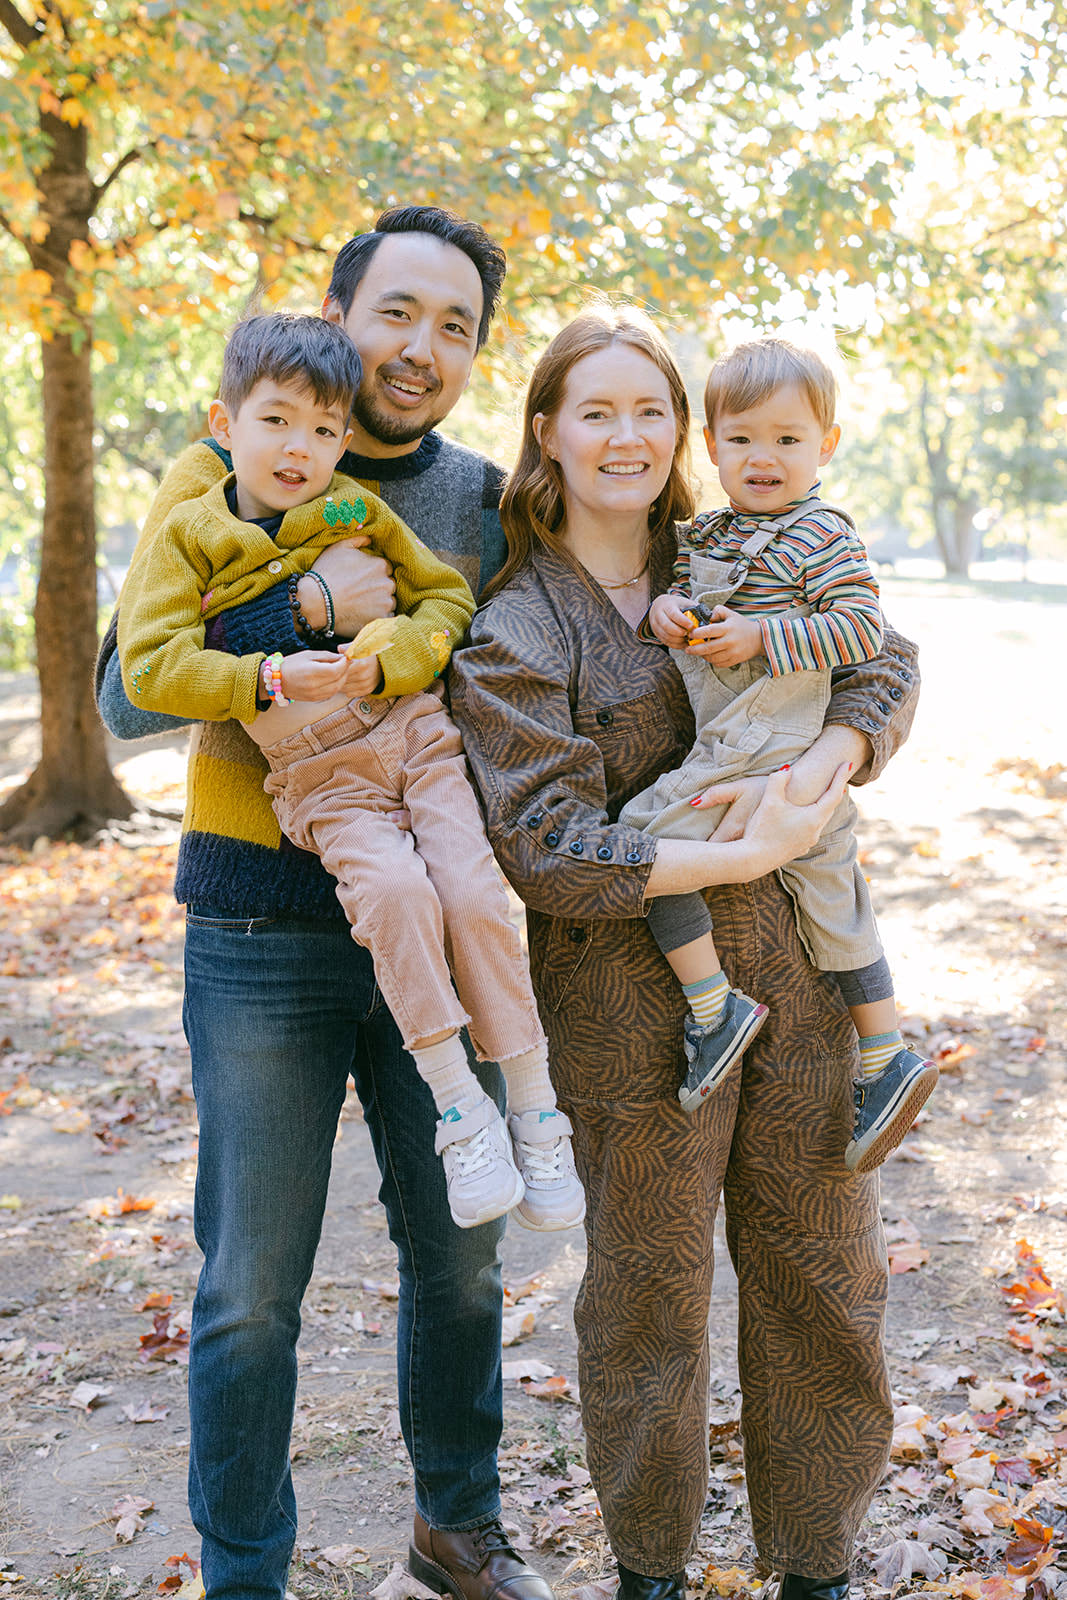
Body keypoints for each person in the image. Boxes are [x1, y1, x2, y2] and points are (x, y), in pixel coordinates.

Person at [95, 207, 561, 1600]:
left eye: (454, 326)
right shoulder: (229, 462)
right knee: (250, 1287)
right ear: (340, 315)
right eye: (396, 312)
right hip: (263, 929)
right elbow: (123, 697)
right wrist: (301, 608)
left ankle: (455, 1535)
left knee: (462, 1260)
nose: (420, 346)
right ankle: (246, 1577)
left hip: (434, 906)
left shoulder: (483, 501)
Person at [448, 307, 921, 1600]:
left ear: (682, 432)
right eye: (594, 410)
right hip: (628, 1008)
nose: (626, 435)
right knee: (647, 1298)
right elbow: (545, 844)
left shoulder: (735, 547)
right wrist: (736, 849)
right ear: (545, 432)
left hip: (800, 977)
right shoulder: (518, 628)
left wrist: (830, 761)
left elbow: (881, 657)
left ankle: (815, 1566)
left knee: (825, 1270)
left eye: (648, 409)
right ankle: (649, 1571)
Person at [117, 310, 583, 1234]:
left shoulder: (355, 508)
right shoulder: (191, 529)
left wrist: (391, 657)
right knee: (397, 895)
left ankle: (533, 1106)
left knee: (472, 894)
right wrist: (270, 666)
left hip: (415, 736)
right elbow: (143, 676)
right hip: (323, 776)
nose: (300, 447)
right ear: (224, 424)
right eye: (276, 422)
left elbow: (442, 599)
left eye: (324, 430)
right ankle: (461, 1108)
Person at [618, 337, 937, 1172]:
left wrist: (763, 635)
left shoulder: (821, 534)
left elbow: (861, 631)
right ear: (710, 446)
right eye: (742, 439)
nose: (763, 458)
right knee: (832, 892)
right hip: (747, 731)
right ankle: (884, 1054)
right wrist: (667, 614)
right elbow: (683, 601)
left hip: (771, 731)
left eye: (787, 439)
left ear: (824, 445)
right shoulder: (704, 534)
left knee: (646, 844)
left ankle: (712, 1005)